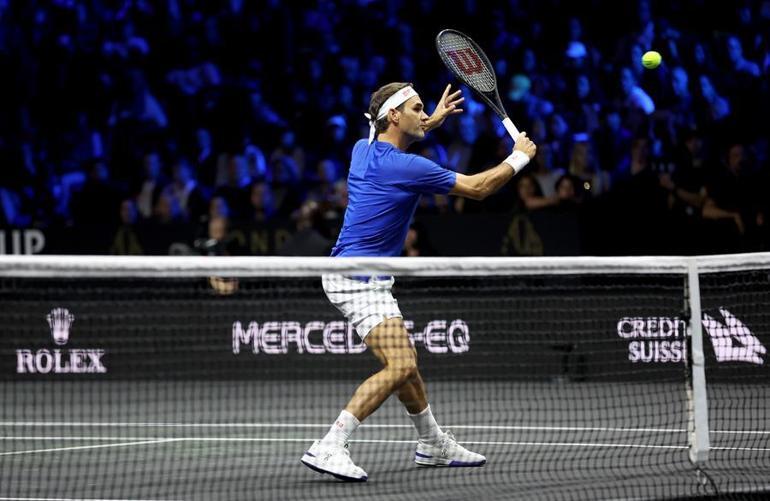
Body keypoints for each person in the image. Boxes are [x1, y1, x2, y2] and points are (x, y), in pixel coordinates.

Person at [300, 82, 537, 481]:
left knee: (407, 366)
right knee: (402, 362)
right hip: (357, 277)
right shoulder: (408, 167)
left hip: (357, 274)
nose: (424, 112)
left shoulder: (363, 150)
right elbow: (478, 189)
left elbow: (388, 127)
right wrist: (519, 159)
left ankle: (432, 443)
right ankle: (331, 443)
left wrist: (431, 120)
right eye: (417, 107)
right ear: (394, 116)